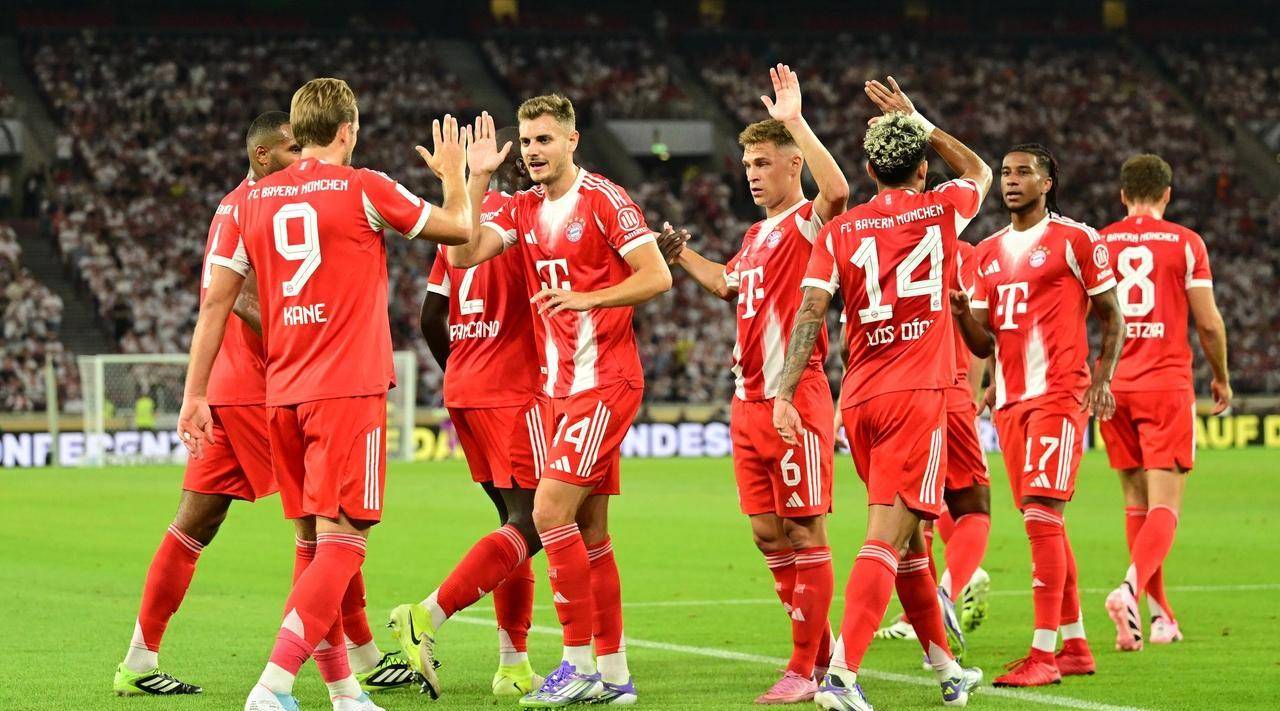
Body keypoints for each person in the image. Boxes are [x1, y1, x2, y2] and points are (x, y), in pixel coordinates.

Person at [176, 78, 473, 711]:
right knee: (344, 547)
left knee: (313, 546)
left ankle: (344, 693)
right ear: (347, 130)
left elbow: (215, 304)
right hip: (347, 390)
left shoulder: (248, 202)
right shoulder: (364, 186)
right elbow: (459, 229)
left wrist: (193, 394)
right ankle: (273, 684)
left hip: (282, 393)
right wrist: (455, 175)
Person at [438, 93, 672, 707]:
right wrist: (477, 177)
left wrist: (590, 299)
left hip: (604, 382)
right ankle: (615, 675)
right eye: (527, 141)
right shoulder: (521, 208)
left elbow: (657, 275)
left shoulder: (604, 199)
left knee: (547, 513)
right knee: (590, 530)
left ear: (572, 141)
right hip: (556, 389)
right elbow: (461, 254)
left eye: (545, 139)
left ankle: (575, 664)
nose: (534, 151)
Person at [776, 77, 991, 711]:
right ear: (921, 168)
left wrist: (785, 391)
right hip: (917, 393)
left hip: (860, 397)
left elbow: (810, 311)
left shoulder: (839, 230)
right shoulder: (942, 209)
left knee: (911, 541)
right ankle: (842, 676)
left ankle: (946, 668)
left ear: (869, 170)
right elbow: (978, 170)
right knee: (885, 536)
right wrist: (921, 121)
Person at [656, 64, 847, 705]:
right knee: (768, 534)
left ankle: (803, 668)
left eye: (763, 163)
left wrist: (796, 121)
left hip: (796, 398)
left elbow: (838, 190)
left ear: (793, 165)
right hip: (746, 403)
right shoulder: (755, 235)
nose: (752, 174)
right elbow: (725, 284)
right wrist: (679, 253)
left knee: (805, 532)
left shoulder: (808, 222)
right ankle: (820, 657)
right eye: (747, 164)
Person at [114, 111, 301, 697]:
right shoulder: (258, 207)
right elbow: (237, 298)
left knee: (195, 523)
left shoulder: (231, 206)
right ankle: (357, 661)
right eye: (293, 149)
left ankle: (138, 661)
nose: (303, 157)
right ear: (263, 155)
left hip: (227, 387)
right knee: (326, 522)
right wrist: (302, 332)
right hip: (256, 389)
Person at [952, 143, 1126, 686]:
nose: (1010, 180)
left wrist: (1102, 379)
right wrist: (960, 315)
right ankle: (1075, 646)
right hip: (1010, 402)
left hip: (1059, 393)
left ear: (1047, 183)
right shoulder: (987, 252)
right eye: (1005, 172)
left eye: (1023, 172)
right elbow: (984, 343)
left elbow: (1112, 316)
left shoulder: (1076, 239)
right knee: (1045, 520)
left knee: (1041, 517)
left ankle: (1043, 655)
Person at [392, 115, 548, 699]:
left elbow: (431, 316)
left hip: (466, 388)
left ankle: (513, 665)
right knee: (537, 521)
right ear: (518, 166)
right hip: (514, 390)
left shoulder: (460, 225)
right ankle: (427, 615)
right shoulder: (530, 217)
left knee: (512, 525)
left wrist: (460, 367)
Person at [1097, 153, 1231, 651]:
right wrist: (1221, 378)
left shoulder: (1099, 243)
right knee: (1165, 507)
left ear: (1122, 195)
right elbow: (1209, 324)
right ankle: (1130, 590)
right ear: (1167, 194)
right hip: (1165, 383)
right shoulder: (1186, 243)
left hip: (1113, 386)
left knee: (1136, 503)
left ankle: (1160, 617)